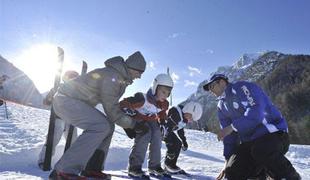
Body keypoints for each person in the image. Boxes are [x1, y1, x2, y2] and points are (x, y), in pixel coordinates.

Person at [49, 51, 146, 179]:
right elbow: (111, 108)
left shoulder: (119, 77)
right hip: (66, 100)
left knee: (108, 126)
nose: (139, 77)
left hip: (74, 101)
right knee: (100, 126)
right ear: (132, 68)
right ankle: (63, 171)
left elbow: (112, 107)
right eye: (139, 72)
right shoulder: (113, 76)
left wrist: (127, 125)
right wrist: (132, 125)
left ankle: (92, 168)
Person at [203, 74, 301, 180]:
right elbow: (229, 136)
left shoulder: (241, 87)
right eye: (209, 89)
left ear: (221, 82)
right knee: (232, 171)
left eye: (211, 86)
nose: (210, 91)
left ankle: (290, 176)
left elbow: (256, 111)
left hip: (273, 133)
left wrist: (232, 127)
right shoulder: (221, 106)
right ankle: (260, 175)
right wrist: (228, 159)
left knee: (261, 150)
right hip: (251, 143)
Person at [120, 73, 173, 178]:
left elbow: (162, 113)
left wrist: (162, 122)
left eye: (168, 93)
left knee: (158, 134)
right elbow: (123, 104)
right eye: (163, 92)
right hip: (138, 119)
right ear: (155, 88)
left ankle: (154, 166)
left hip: (151, 120)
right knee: (146, 133)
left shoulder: (164, 104)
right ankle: (134, 167)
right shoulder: (142, 98)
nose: (165, 95)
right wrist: (129, 119)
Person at [38, 70, 79, 169]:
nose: (73, 80)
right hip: (58, 117)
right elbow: (46, 102)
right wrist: (51, 98)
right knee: (53, 138)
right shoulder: (57, 87)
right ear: (66, 78)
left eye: (75, 78)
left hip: (70, 119)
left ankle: (70, 162)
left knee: (73, 141)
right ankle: (43, 160)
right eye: (71, 77)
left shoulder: (78, 91)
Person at [162, 101, 203, 173]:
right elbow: (167, 130)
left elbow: (180, 129)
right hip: (160, 129)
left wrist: (184, 141)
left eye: (192, 119)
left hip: (167, 130)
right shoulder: (176, 114)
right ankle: (168, 165)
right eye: (191, 117)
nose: (190, 120)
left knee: (178, 143)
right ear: (187, 110)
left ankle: (171, 165)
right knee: (174, 143)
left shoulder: (184, 117)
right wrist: (170, 149)